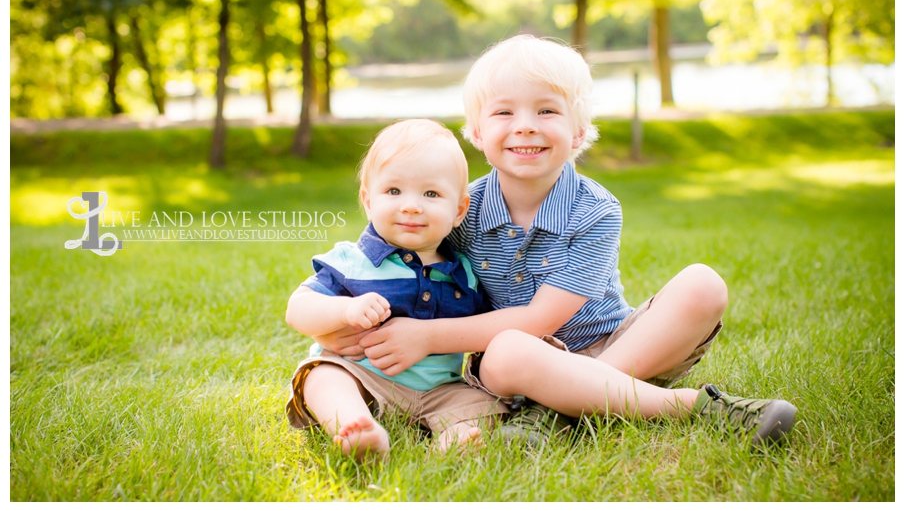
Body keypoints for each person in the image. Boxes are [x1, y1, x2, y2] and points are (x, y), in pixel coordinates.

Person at [315, 35, 797, 449]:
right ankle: (691, 408)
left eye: (547, 110)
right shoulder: (460, 208)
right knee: (508, 349)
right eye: (504, 112)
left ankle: (559, 407)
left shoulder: (596, 210)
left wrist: (424, 338)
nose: (525, 124)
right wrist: (348, 323)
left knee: (703, 284)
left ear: (578, 131)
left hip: (619, 346)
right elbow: (390, 261)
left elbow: (541, 318)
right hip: (517, 364)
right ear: (478, 132)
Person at [285, 119, 508, 461]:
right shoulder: (352, 260)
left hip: (440, 390)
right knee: (323, 375)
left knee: (481, 403)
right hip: (364, 379)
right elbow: (298, 309)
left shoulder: (464, 272)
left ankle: (455, 438)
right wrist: (344, 310)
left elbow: (484, 331)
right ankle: (357, 426)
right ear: (368, 200)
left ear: (459, 210)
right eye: (393, 191)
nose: (412, 206)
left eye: (431, 194)